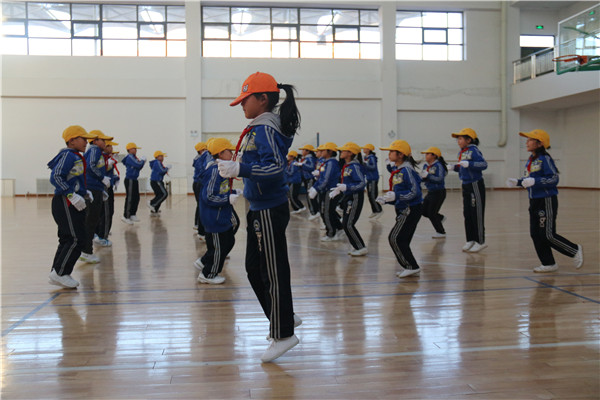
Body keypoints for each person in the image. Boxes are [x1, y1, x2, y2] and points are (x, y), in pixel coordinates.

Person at [218, 71, 301, 363]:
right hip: (258, 206)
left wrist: (240, 169)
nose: (242, 106)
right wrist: (240, 166)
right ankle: (283, 316)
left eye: (245, 100)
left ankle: (284, 333)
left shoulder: (265, 128)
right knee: (254, 268)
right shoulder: (262, 126)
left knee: (273, 270)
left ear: (262, 99)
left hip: (268, 207)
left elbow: (276, 167)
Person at [506, 129, 583, 273]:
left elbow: (554, 178)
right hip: (533, 201)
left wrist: (534, 181)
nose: (527, 142)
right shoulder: (531, 160)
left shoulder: (545, 159)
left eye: (530, 139)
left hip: (546, 200)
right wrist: (517, 182)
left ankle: (574, 249)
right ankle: (548, 263)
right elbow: (530, 180)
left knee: (547, 234)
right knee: (535, 234)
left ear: (539, 143)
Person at [47, 125, 96, 288]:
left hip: (72, 201)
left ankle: (58, 272)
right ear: (72, 140)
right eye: (84, 139)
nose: (87, 142)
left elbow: (73, 178)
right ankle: (60, 273)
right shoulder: (68, 155)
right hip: (65, 202)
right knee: (76, 238)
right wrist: (70, 194)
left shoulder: (75, 155)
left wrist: (84, 191)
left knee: (68, 238)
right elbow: (56, 176)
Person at [195, 138, 240, 284]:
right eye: (230, 151)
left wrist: (232, 191)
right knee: (219, 247)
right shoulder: (215, 171)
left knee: (228, 241)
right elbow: (209, 196)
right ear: (221, 153)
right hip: (214, 217)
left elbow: (221, 189)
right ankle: (208, 274)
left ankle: (205, 260)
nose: (232, 154)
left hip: (221, 214)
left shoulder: (221, 169)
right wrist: (228, 199)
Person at [377, 140, 423, 278]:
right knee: (402, 239)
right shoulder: (398, 170)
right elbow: (400, 192)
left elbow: (414, 192)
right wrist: (387, 200)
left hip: (410, 209)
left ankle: (411, 266)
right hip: (404, 208)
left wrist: (396, 195)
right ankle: (410, 266)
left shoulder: (407, 170)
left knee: (395, 237)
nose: (389, 154)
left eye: (391, 151)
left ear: (401, 155)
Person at [451, 128, 488, 253]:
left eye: (460, 138)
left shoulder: (474, 151)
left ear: (469, 139)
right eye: (458, 139)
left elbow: (483, 165)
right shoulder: (461, 152)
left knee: (476, 213)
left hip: (475, 185)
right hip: (465, 185)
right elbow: (463, 168)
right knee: (467, 213)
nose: (458, 141)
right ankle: (470, 239)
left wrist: (470, 164)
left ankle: (480, 241)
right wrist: (453, 167)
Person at [80, 130, 113, 264]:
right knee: (91, 220)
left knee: (92, 220)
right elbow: (90, 166)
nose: (105, 143)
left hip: (95, 187)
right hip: (93, 188)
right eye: (102, 140)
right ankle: (86, 251)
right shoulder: (94, 150)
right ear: (95, 141)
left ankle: (86, 250)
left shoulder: (94, 151)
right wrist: (101, 178)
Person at [332, 142, 367, 256]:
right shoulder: (347, 166)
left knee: (348, 223)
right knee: (346, 223)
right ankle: (357, 246)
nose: (341, 153)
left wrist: (348, 187)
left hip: (355, 197)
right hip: (349, 196)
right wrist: (339, 190)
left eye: (343, 151)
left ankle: (360, 247)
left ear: (350, 153)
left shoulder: (354, 166)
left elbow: (361, 183)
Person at [308, 142, 343, 241]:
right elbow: (322, 177)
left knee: (326, 211)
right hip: (325, 190)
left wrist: (316, 188)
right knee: (327, 211)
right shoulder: (326, 162)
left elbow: (326, 179)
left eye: (323, 150)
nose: (321, 152)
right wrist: (315, 185)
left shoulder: (331, 163)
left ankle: (331, 233)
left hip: (329, 190)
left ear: (330, 152)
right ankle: (339, 228)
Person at [94, 141, 120, 246]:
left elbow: (109, 173)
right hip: (104, 187)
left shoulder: (107, 157)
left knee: (104, 212)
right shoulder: (103, 157)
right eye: (109, 146)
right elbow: (102, 171)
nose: (111, 148)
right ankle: (102, 236)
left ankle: (100, 232)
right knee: (107, 212)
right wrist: (109, 164)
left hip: (108, 186)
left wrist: (115, 178)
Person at [420, 147, 448, 238]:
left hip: (438, 192)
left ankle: (441, 232)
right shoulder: (425, 166)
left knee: (432, 213)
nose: (426, 156)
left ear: (434, 155)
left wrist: (428, 176)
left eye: (428, 154)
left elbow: (439, 179)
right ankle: (440, 218)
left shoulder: (438, 166)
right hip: (430, 192)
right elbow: (424, 179)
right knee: (423, 211)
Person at [121, 142, 146, 225]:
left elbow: (139, 166)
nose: (135, 150)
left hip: (134, 179)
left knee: (136, 197)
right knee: (130, 198)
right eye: (134, 148)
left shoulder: (134, 157)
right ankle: (126, 216)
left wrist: (142, 162)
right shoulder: (130, 157)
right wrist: (143, 161)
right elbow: (138, 165)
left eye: (136, 149)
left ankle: (132, 214)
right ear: (129, 150)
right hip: (130, 179)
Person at [192, 141, 211, 239]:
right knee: (202, 206)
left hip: (197, 183)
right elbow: (203, 170)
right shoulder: (203, 157)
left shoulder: (198, 158)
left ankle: (198, 226)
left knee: (200, 206)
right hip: (199, 183)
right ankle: (202, 231)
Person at [362, 144, 383, 219]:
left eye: (365, 148)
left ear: (368, 149)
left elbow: (373, 167)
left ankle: (379, 210)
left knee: (373, 195)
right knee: (369, 196)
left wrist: (365, 164)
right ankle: (374, 210)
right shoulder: (365, 157)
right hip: (368, 178)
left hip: (373, 179)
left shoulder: (371, 157)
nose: (363, 149)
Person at [298, 145, 319, 219]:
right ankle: (314, 211)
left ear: (308, 151)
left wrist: (302, 165)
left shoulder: (309, 158)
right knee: (310, 196)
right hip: (307, 178)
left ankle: (314, 212)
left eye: (303, 150)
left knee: (310, 196)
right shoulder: (306, 158)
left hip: (310, 178)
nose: (302, 152)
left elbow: (311, 167)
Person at [148, 151, 171, 215]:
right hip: (156, 181)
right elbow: (162, 171)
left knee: (159, 195)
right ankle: (152, 203)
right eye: (161, 156)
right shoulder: (157, 162)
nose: (163, 158)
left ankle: (155, 209)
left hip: (156, 181)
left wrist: (166, 169)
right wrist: (167, 168)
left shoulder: (158, 163)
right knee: (164, 194)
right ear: (157, 157)